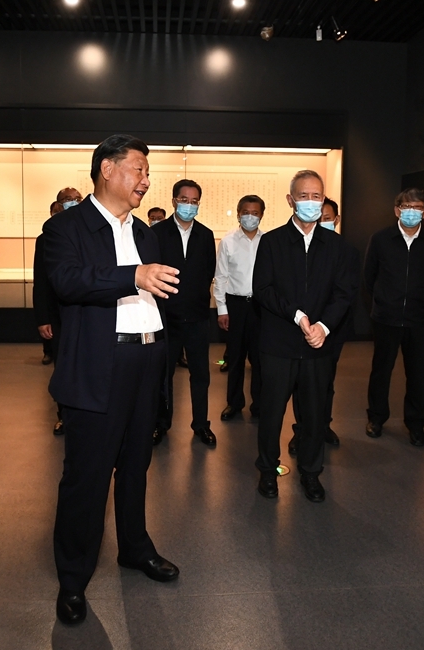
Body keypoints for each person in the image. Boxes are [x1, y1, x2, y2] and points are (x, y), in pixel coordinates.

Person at [43, 134, 181, 626]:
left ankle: (134, 548)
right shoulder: (67, 227)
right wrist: (133, 276)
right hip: (99, 367)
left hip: (147, 360)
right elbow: (67, 281)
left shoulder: (144, 231)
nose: (146, 180)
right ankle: (73, 579)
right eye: (139, 169)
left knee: (136, 464)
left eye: (147, 172)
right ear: (107, 168)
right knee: (88, 476)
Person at [253, 170, 358, 502]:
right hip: (278, 343)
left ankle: (311, 473)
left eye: (317, 196)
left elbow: (344, 293)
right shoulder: (272, 242)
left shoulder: (337, 246)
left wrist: (323, 327)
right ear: (290, 200)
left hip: (318, 346)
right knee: (271, 413)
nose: (311, 202)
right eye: (304, 196)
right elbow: (263, 290)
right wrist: (298, 317)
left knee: (314, 415)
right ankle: (267, 470)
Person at [363, 188, 424, 446]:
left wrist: (421, 299)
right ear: (397, 210)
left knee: (417, 373)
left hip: (418, 319)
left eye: (418, 207)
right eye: (407, 207)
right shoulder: (381, 239)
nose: (412, 211)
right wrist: (384, 301)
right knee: (381, 370)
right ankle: (376, 417)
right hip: (385, 318)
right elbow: (369, 276)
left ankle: (416, 424)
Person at [288, 197, 358, 453]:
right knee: (302, 381)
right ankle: (301, 429)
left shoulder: (346, 250)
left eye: (327, 218)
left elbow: (348, 292)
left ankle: (323, 425)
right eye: (319, 217)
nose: (322, 222)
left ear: (336, 220)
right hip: (305, 328)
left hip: (333, 327)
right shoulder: (302, 247)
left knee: (326, 381)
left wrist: (327, 324)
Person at [152, 179, 217, 446]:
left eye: (194, 201)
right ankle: (161, 424)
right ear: (174, 201)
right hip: (167, 318)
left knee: (200, 375)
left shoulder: (205, 234)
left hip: (198, 317)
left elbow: (209, 272)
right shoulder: (157, 233)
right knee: (163, 374)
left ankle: (201, 424)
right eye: (184, 200)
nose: (189, 205)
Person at [216, 194, 265, 422]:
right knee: (235, 358)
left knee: (259, 358)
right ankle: (234, 403)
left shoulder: (268, 241)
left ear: (261, 215)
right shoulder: (228, 242)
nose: (250, 217)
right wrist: (222, 309)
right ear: (238, 214)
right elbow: (221, 277)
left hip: (260, 307)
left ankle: (259, 404)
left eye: (255, 213)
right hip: (235, 305)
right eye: (246, 213)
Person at [34, 199, 67, 434]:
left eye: (77, 199)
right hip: (58, 314)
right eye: (67, 201)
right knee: (63, 368)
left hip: (88, 313)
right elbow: (41, 280)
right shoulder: (45, 239)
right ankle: (63, 415)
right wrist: (42, 317)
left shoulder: (88, 233)